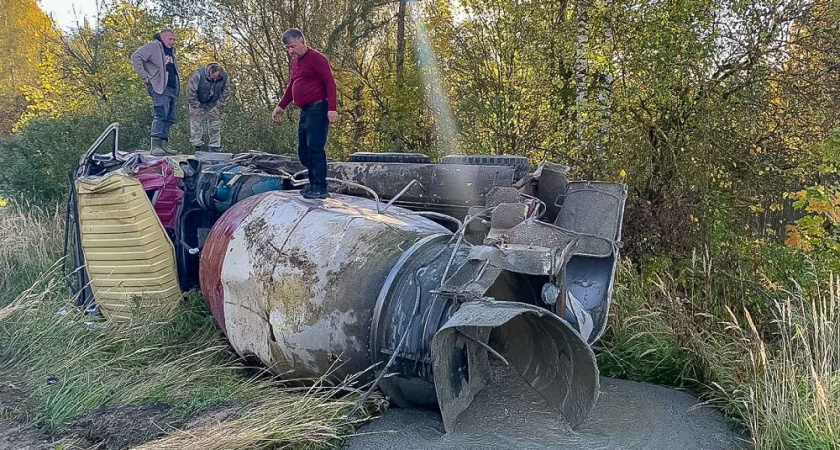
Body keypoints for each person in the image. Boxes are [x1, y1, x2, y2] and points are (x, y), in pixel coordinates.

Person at [272, 28, 338, 199]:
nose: (290, 51)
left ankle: (320, 187)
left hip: (319, 108)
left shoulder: (317, 58)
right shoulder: (294, 62)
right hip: (305, 110)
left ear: (302, 42)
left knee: (315, 148)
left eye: (292, 46)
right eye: (287, 48)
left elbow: (330, 82)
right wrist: (281, 106)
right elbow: (291, 86)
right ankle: (313, 183)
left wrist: (332, 108)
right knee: (303, 150)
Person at [130, 29, 180, 156]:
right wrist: (145, 77)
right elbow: (135, 56)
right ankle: (155, 145)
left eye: (174, 39)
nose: (173, 42)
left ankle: (164, 144)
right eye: (170, 39)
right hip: (159, 86)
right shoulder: (153, 46)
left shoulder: (170, 51)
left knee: (170, 117)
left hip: (171, 87)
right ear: (162, 37)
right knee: (161, 113)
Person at [186, 62, 231, 152]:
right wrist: (196, 106)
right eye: (214, 77)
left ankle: (215, 147)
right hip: (197, 101)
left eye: (218, 78)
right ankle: (197, 147)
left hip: (213, 102)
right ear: (210, 71)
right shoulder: (198, 74)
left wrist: (218, 106)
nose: (216, 80)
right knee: (196, 124)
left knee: (215, 125)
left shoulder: (225, 77)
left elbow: (226, 93)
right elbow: (190, 92)